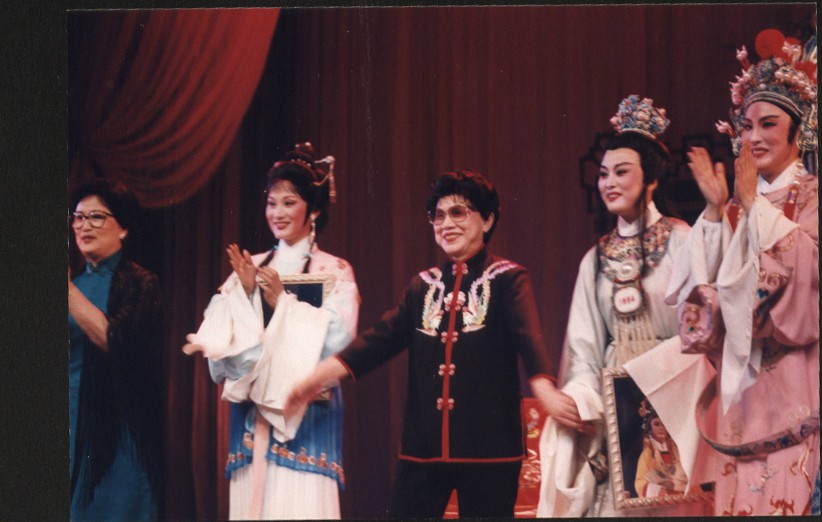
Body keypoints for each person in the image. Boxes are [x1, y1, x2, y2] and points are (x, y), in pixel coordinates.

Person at [285, 169, 557, 518]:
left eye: (458, 212)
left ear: (487, 220)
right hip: (424, 449)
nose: (446, 223)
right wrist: (316, 378)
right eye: (438, 216)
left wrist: (544, 387)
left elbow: (527, 336)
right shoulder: (423, 285)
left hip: (490, 449)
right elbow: (378, 341)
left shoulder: (508, 278)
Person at [665, 36, 818, 516]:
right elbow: (699, 295)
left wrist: (753, 205)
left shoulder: (812, 196)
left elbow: (809, 269)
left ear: (798, 132)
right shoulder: (733, 205)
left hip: (799, 375)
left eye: (769, 124)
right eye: (747, 125)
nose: (754, 137)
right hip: (742, 394)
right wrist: (714, 214)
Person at [536, 96, 710, 517]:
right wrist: (579, 399)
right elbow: (584, 351)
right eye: (603, 174)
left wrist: (656, 371)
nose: (609, 183)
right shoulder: (594, 260)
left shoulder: (684, 240)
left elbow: (703, 328)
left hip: (676, 393)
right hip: (617, 409)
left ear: (650, 178)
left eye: (621, 171)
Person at [183, 143, 359, 519]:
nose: (277, 213)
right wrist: (246, 296)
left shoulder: (334, 271)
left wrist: (282, 304)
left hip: (309, 412)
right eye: (271, 203)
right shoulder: (251, 268)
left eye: (289, 202)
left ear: (313, 209)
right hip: (252, 415)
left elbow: (337, 337)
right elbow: (219, 333)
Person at [68, 178, 163, 521]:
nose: (84, 226)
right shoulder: (76, 282)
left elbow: (116, 340)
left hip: (115, 434)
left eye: (96, 217)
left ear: (122, 227)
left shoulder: (140, 282)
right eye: (78, 217)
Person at [634, 399, 687, 498]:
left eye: (664, 425)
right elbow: (640, 482)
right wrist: (654, 489)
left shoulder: (678, 452)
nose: (661, 428)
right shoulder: (648, 454)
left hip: (681, 497)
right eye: (657, 424)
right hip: (661, 498)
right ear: (650, 428)